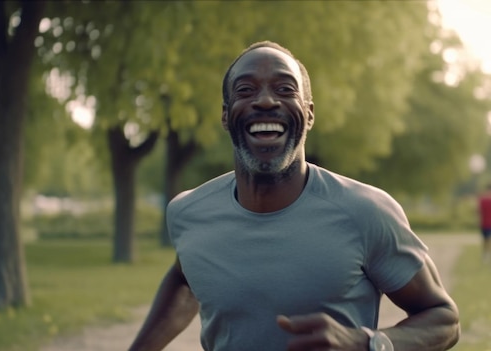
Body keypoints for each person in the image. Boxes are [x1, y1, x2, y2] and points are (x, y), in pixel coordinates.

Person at [128, 41, 459, 351]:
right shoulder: (189, 213)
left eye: (285, 89)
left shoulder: (366, 212)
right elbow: (187, 278)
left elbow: (443, 318)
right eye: (246, 90)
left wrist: (367, 343)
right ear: (226, 116)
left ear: (309, 114)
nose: (266, 101)